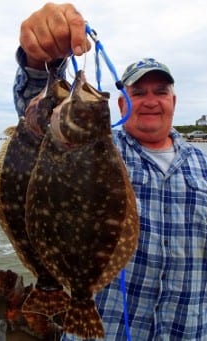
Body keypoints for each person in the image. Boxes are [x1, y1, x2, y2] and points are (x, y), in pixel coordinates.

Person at [13, 3, 207, 340]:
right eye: (138, 92)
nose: (150, 100)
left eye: (161, 92)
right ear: (121, 105)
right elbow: (36, 115)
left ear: (173, 103)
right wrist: (41, 62)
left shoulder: (203, 165)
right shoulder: (103, 146)